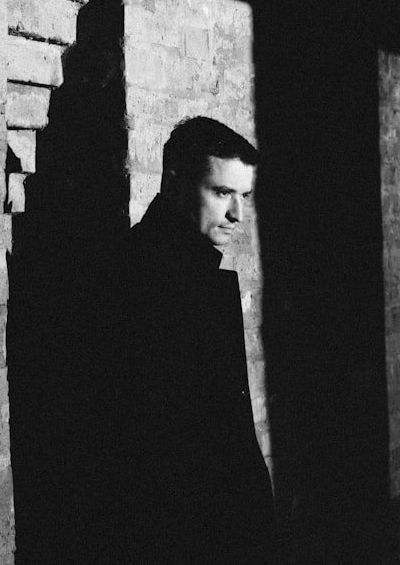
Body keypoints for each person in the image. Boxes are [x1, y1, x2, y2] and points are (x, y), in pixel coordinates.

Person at [97, 116, 279, 562]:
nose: (237, 214)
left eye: (245, 196)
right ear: (174, 181)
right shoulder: (147, 280)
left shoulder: (190, 273)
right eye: (221, 193)